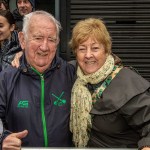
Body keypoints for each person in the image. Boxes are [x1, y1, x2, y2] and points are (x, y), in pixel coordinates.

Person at [69, 18, 150, 149]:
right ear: (75, 53)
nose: (88, 55)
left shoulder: (126, 82)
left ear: (106, 51)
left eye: (95, 48)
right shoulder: (73, 75)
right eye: (82, 49)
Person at [0, 10, 75, 149]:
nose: (45, 46)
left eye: (51, 39)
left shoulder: (71, 73)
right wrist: (2, 138)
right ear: (22, 39)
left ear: (57, 42)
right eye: (38, 38)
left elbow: (97, 61)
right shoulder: (6, 78)